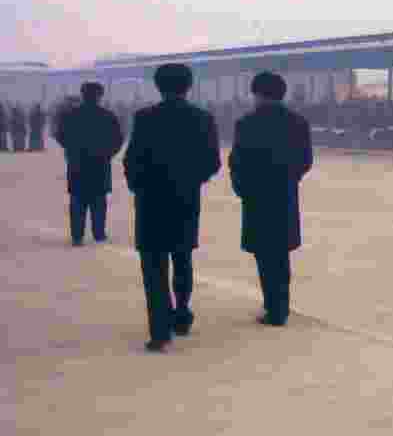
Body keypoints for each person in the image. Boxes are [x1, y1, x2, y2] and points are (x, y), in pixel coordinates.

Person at [124, 64, 221, 352]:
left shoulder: (144, 118)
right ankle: (181, 313)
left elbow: (132, 159)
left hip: (151, 200)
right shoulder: (202, 118)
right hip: (185, 198)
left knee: (153, 265)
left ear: (158, 86)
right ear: (188, 86)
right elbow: (212, 161)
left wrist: (138, 186)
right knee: (182, 257)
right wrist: (192, 181)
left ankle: (159, 329)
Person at [228, 72, 313, 327]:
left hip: (256, 196)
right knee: (281, 252)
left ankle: (273, 305)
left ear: (257, 94)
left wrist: (242, 188)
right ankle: (280, 304)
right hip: (284, 193)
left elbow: (237, 162)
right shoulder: (298, 122)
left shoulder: (246, 123)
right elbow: (305, 160)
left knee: (264, 253)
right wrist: (290, 177)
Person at [55, 83, 124, 246]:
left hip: (77, 164)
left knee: (77, 201)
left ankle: (77, 235)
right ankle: (98, 233)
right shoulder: (108, 116)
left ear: (82, 95)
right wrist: (107, 154)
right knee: (98, 201)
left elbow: (60, 135)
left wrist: (72, 149)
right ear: (100, 96)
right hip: (100, 164)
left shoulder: (71, 115)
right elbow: (118, 139)